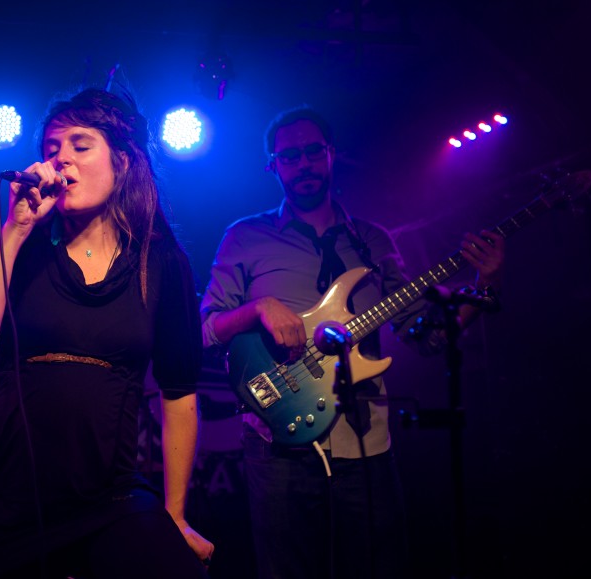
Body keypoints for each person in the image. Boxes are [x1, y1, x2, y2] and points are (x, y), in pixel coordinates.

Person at [199, 105, 505, 579]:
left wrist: (483, 285)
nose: (303, 165)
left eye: (312, 153)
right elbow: (206, 328)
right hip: (276, 442)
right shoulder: (244, 237)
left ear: (331, 155)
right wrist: (258, 308)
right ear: (272, 166)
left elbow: (426, 339)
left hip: (365, 444)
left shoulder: (372, 242)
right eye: (290, 157)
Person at [0, 85, 214, 578]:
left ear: (124, 162)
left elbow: (179, 397)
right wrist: (16, 228)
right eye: (51, 149)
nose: (60, 159)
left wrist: (175, 515)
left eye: (80, 146)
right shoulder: (21, 245)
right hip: (3, 493)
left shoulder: (163, 263)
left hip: (108, 495)